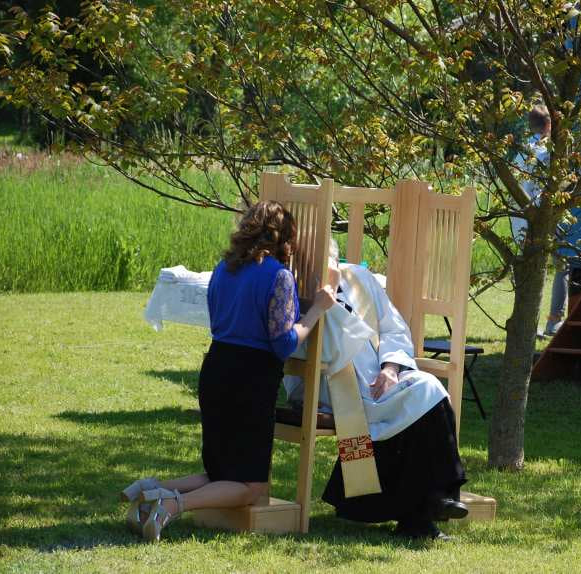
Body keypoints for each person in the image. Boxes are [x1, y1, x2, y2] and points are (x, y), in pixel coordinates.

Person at [120, 200, 336, 542]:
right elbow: (282, 344)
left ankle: (150, 489)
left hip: (216, 367)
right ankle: (170, 506)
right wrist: (315, 312)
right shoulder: (278, 275)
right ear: (283, 237)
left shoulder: (225, 268)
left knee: (221, 472)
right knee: (252, 486)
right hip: (250, 379)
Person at [284, 240, 468, 540]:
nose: (331, 272)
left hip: (377, 377)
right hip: (327, 383)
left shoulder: (359, 277)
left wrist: (391, 367)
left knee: (429, 391)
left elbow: (393, 327)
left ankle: (427, 507)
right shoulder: (297, 289)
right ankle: (430, 505)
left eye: (333, 263)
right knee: (421, 399)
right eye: (321, 266)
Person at [510, 104, 568, 336]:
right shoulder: (548, 151)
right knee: (563, 266)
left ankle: (524, 320)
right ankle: (554, 320)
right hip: (543, 217)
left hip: (520, 218)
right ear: (550, 125)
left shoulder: (521, 150)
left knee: (527, 269)